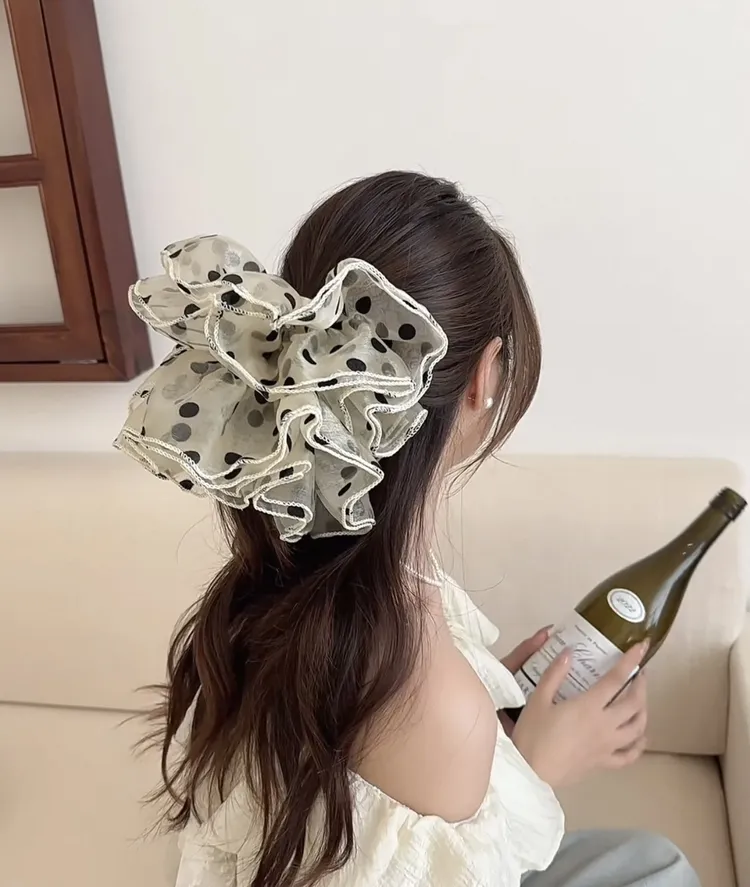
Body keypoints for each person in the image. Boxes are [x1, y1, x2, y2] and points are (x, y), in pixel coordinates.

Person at [115, 171, 699, 887]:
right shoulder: (428, 694)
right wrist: (536, 766)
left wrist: (491, 722)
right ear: (485, 377)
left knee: (650, 860)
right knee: (661, 870)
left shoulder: (274, 580)